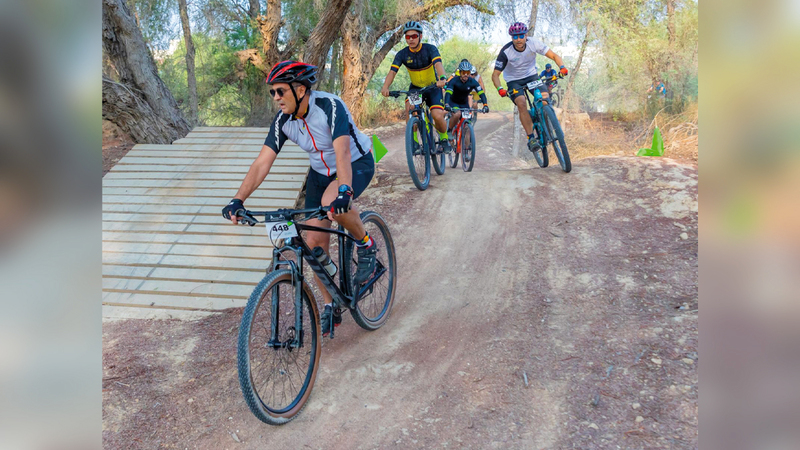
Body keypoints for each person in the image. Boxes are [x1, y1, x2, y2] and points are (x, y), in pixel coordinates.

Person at [221, 60, 377, 336]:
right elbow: (262, 162)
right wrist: (238, 200)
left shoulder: (329, 106)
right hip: (319, 173)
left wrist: (344, 191)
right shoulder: (283, 121)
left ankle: (366, 244)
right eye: (272, 92)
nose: (275, 97)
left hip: (355, 162)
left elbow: (342, 152)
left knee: (333, 206)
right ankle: (330, 304)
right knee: (314, 245)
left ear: (301, 90)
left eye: (280, 91)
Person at [491, 22, 568, 154]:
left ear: (526, 35)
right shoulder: (505, 52)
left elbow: (554, 56)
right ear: (511, 38)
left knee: (545, 98)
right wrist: (500, 89)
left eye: (521, 36)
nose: (518, 39)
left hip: (532, 76)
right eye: (515, 37)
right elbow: (495, 75)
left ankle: (548, 121)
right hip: (514, 81)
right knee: (521, 103)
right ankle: (531, 138)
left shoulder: (534, 43)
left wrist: (562, 67)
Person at [380, 21, 451, 153]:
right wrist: (385, 87)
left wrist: (442, 79)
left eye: (414, 36)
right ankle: (414, 141)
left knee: (437, 115)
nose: (411, 39)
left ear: (420, 36)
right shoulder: (402, 54)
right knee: (410, 108)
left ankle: (444, 138)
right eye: (408, 37)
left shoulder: (430, 49)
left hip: (433, 87)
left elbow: (438, 65)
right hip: (416, 89)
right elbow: (392, 72)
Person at [444, 60, 488, 136]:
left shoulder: (472, 82)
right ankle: (449, 131)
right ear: (460, 72)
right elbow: (448, 93)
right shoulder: (454, 81)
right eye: (464, 72)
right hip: (453, 102)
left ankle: (467, 143)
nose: (466, 75)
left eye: (468, 72)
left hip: (464, 104)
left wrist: (485, 105)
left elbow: (481, 93)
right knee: (457, 114)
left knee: (468, 125)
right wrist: (446, 104)